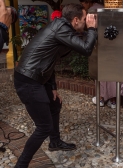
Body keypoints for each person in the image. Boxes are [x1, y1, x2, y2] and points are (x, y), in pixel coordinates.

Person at [14, 3, 97, 168]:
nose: (86, 23)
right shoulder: (62, 29)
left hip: (37, 77)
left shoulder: (61, 27)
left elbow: (49, 60)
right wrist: (93, 29)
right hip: (28, 80)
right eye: (84, 19)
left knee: (55, 104)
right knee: (43, 127)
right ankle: (21, 165)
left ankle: (55, 142)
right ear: (75, 20)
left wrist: (52, 87)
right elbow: (86, 49)